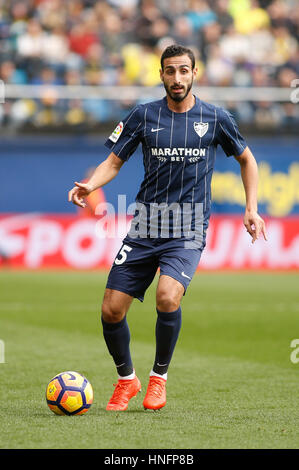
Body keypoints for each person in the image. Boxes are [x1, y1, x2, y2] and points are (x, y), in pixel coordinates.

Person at [68, 44, 267, 412]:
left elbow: (247, 159)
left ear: (195, 73)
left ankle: (159, 380)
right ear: (161, 75)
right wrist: (91, 185)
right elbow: (114, 161)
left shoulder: (216, 117)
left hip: (188, 227)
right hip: (145, 226)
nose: (177, 78)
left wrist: (251, 208)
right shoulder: (143, 115)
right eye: (170, 71)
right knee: (111, 310)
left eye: (183, 71)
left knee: (167, 297)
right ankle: (127, 380)